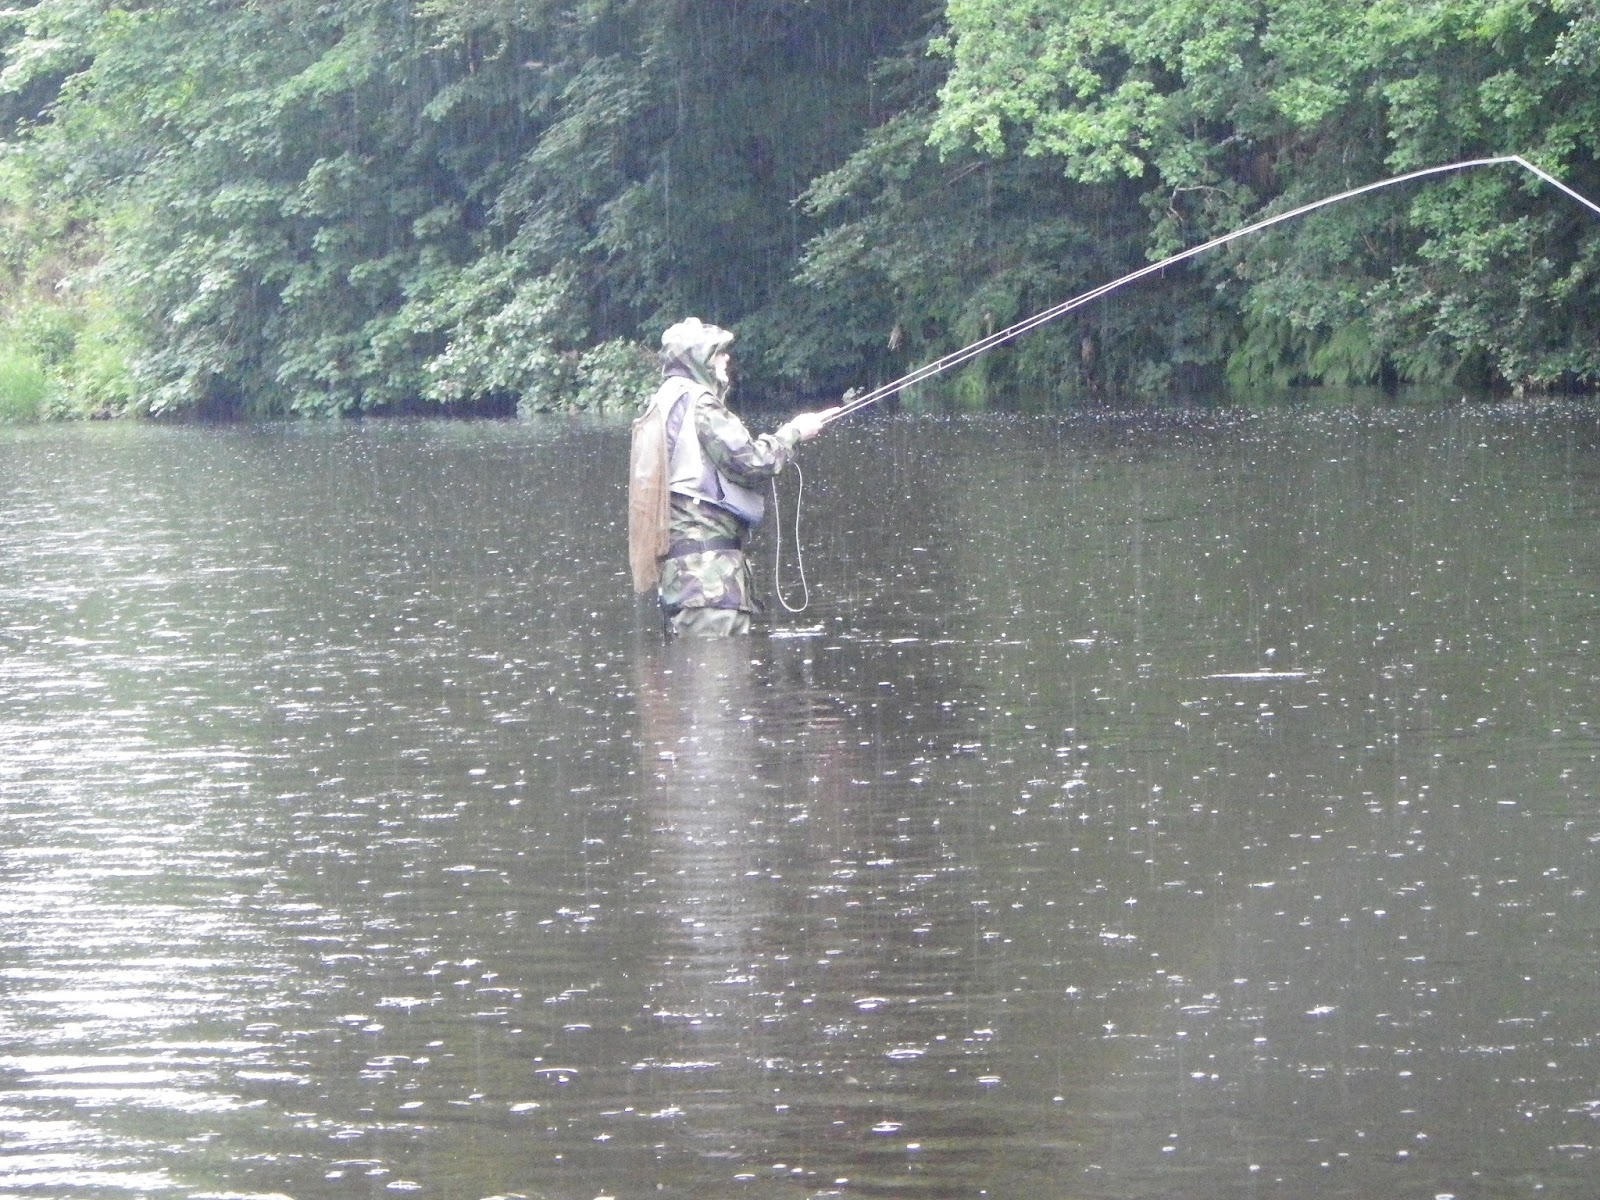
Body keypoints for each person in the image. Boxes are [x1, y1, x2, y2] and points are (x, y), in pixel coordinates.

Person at [646, 317, 837, 638]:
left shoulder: (664, 401)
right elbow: (751, 462)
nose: (726, 358)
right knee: (719, 682)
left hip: (685, 581)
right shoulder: (700, 404)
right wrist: (794, 433)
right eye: (718, 352)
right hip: (709, 583)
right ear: (699, 357)